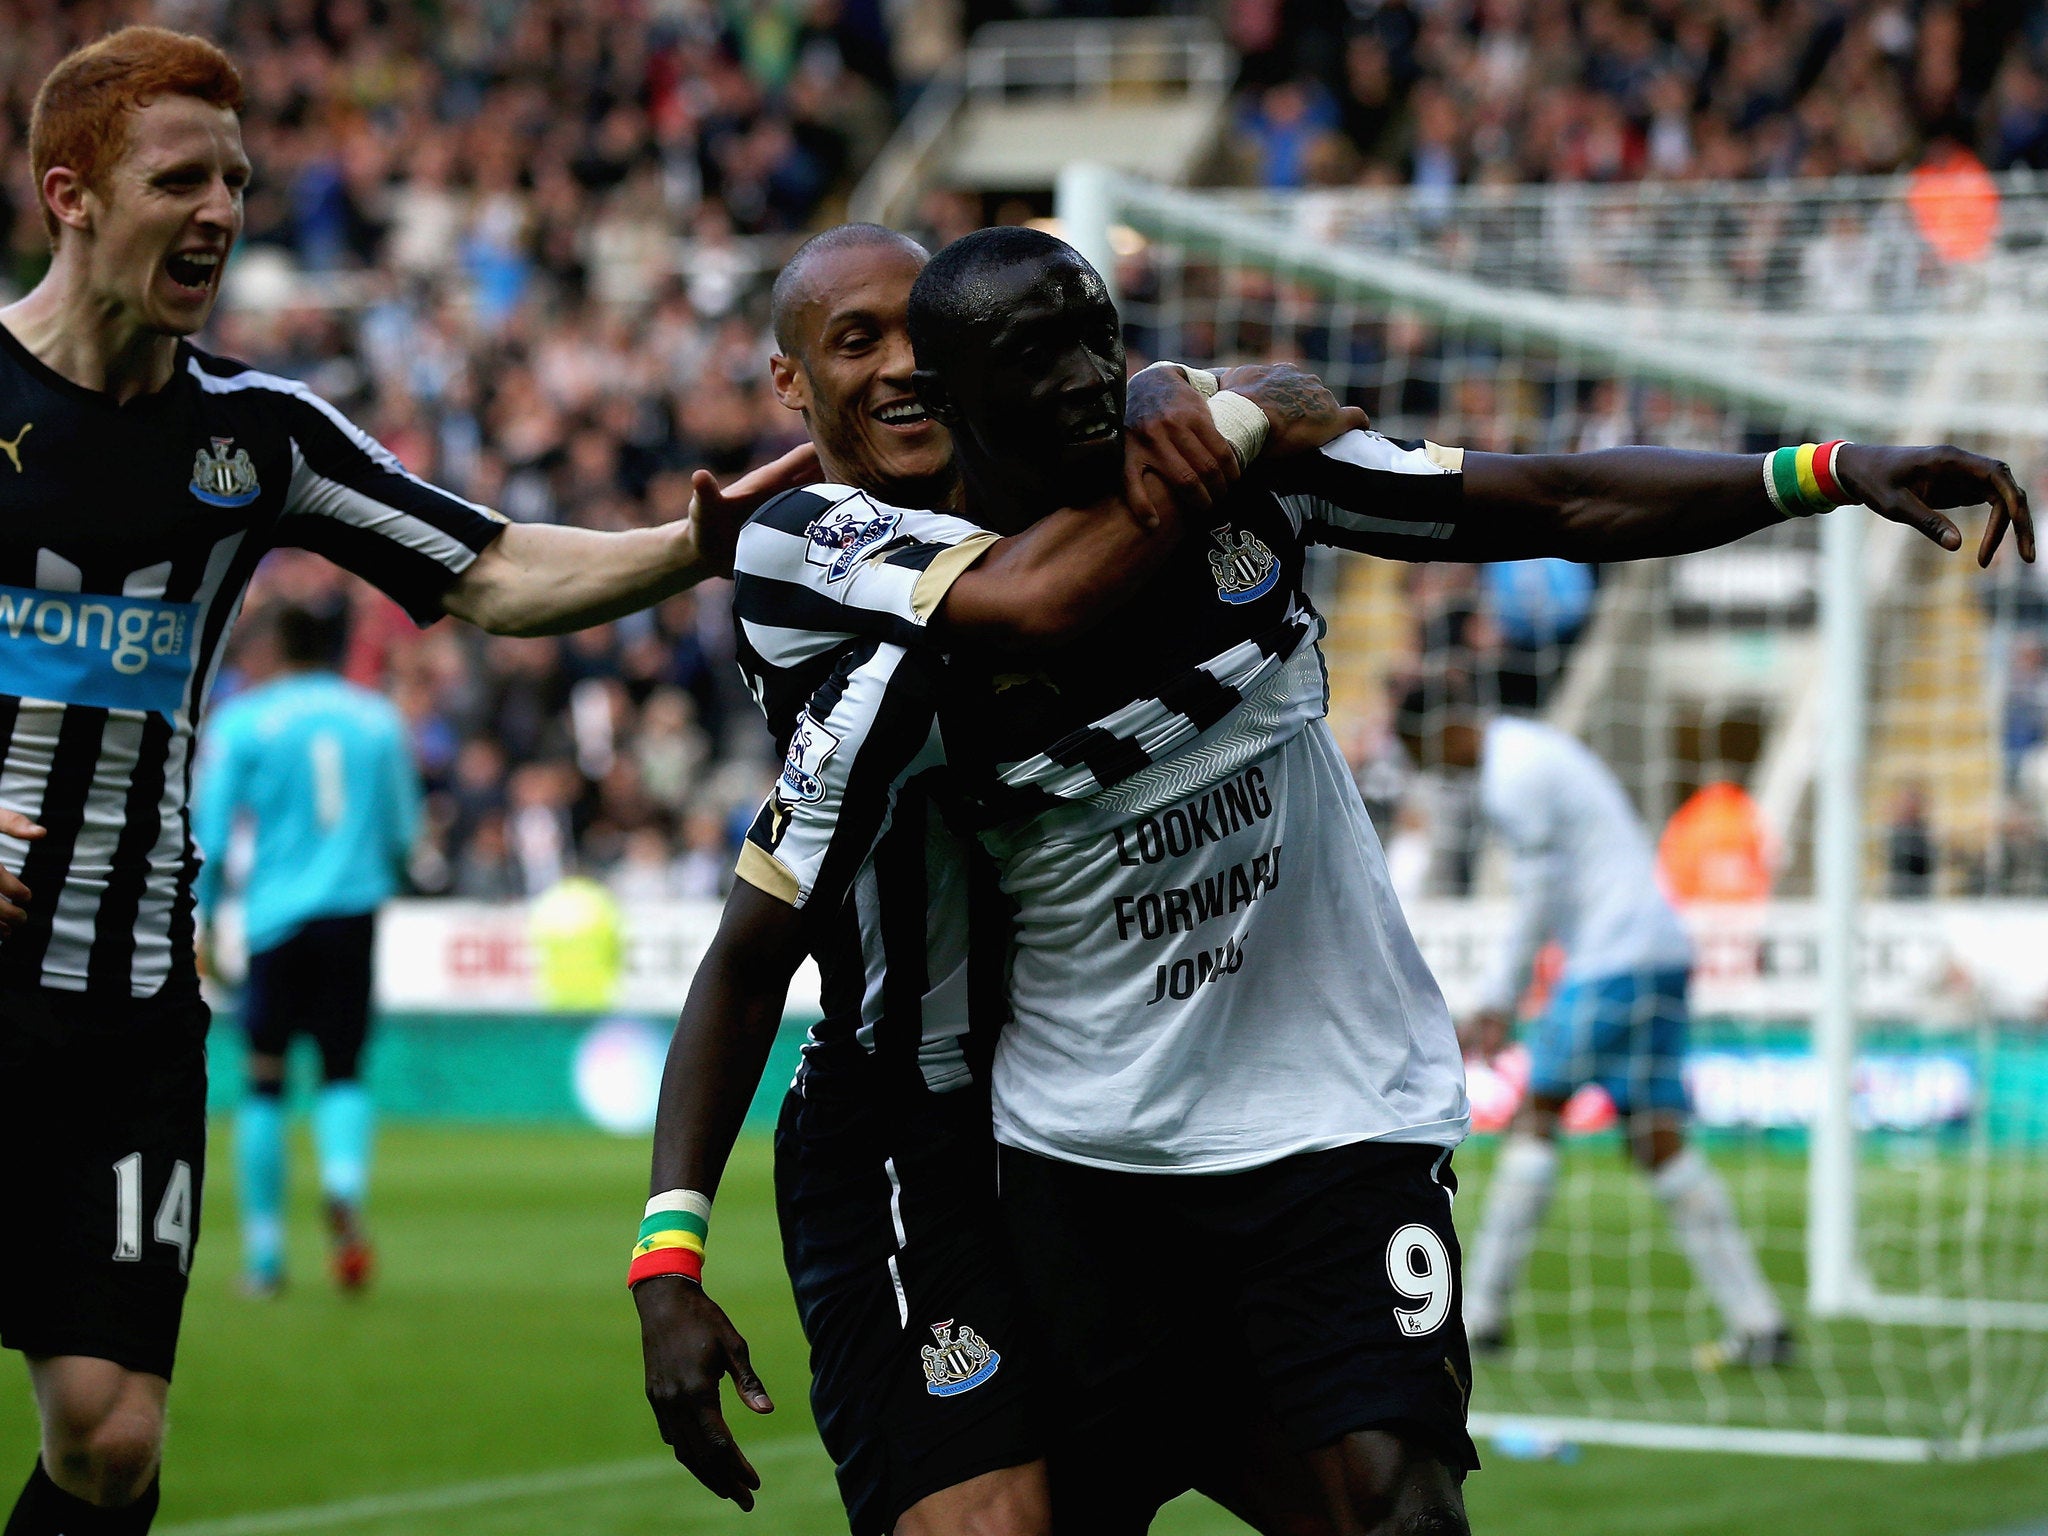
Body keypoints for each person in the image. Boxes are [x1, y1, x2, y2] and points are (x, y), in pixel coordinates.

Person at [642, 224, 2032, 1536]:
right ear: (938, 397)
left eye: (1101, 343)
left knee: (1403, 1507)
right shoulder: (894, 646)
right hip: (1059, 1158)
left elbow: (1552, 495)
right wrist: (669, 1257)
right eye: (1031, 360)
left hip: (1333, 1121)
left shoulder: (1235, 482)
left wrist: (1825, 471)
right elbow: (759, 938)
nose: (1085, 380)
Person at [0, 29, 808, 1534]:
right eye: (179, 178)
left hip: (116, 1005)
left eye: (237, 181)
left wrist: (687, 549)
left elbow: (493, 569)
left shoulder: (257, 435)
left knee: (109, 1440)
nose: (221, 212)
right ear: (71, 195)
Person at [634, 222, 1351, 1536]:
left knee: (1364, 1497)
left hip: (1094, 1116)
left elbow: (1134, 430)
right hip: (904, 1131)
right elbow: (749, 957)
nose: (906, 367)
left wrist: (1157, 392)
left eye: (927, 332)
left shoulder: (1030, 493)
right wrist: (667, 1257)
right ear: (790, 385)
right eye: (857, 342)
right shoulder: (811, 544)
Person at [1404, 693, 1790, 1366]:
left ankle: (1481, 1316)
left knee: (1536, 1115)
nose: (1441, 771)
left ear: (1453, 729)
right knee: (1655, 1137)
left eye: (1433, 754)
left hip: (1613, 958)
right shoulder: (1535, 749)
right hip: (1662, 949)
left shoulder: (1511, 774)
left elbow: (1536, 895)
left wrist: (1497, 998)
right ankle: (1761, 1323)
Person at [192, 603, 420, 1297]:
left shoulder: (244, 721)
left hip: (275, 921)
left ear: (273, 647)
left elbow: (212, 835)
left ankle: (264, 1257)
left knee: (264, 1076)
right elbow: (405, 833)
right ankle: (343, 1184)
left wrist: (204, 922)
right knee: (343, 1069)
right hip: (353, 913)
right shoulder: (377, 719)